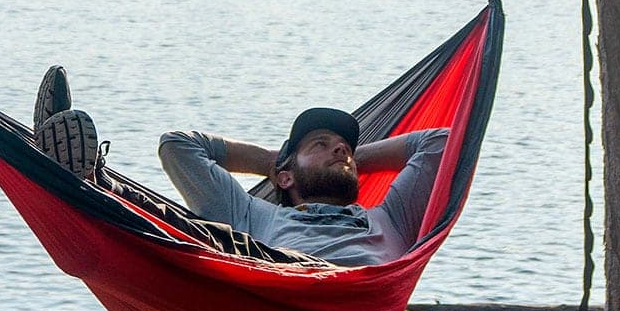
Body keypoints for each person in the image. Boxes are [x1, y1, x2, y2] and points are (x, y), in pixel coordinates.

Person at [32, 66, 448, 266]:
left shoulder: (391, 218)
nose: (340, 151)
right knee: (195, 232)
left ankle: (89, 183)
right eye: (321, 144)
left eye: (344, 148)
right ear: (284, 177)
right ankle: (87, 184)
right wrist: (275, 163)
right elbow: (178, 146)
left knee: (210, 238)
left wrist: (347, 161)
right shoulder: (253, 214)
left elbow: (439, 144)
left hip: (348, 296)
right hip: (271, 286)